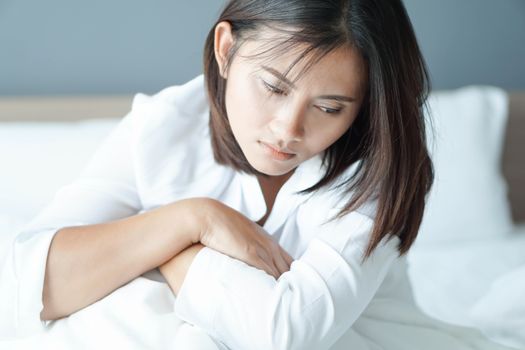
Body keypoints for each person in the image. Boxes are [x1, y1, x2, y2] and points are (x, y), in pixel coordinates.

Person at [0, 0, 517, 349]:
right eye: (272, 87)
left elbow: (284, 332)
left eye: (331, 107)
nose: (288, 130)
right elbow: (31, 284)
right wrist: (193, 218)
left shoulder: (375, 171)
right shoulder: (164, 127)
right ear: (226, 49)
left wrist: (173, 249)